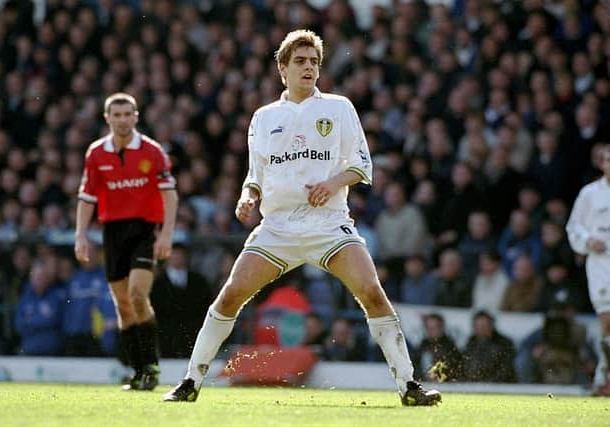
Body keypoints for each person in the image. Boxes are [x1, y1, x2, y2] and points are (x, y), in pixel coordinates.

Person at [163, 30, 440, 406]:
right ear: (282, 69)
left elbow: (361, 165)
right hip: (277, 228)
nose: (309, 67)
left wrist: (331, 183)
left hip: (328, 224)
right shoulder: (263, 118)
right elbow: (254, 176)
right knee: (230, 296)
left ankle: (409, 386)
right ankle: (190, 382)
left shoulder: (338, 108)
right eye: (300, 61)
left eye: (314, 62)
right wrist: (247, 198)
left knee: (372, 293)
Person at [74, 93, 178, 391]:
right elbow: (87, 197)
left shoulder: (152, 151)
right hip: (112, 232)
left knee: (136, 295)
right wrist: (80, 234)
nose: (122, 120)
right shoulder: (96, 154)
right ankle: (138, 371)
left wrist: (166, 233)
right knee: (122, 304)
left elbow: (169, 194)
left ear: (136, 116)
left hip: (144, 230)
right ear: (108, 119)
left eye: (127, 114)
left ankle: (152, 366)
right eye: (116, 115)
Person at [566, 144, 610, 395]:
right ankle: (603, 379)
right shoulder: (590, 194)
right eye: (608, 160)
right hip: (601, 264)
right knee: (607, 320)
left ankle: (602, 378)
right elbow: (574, 227)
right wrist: (587, 242)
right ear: (602, 163)